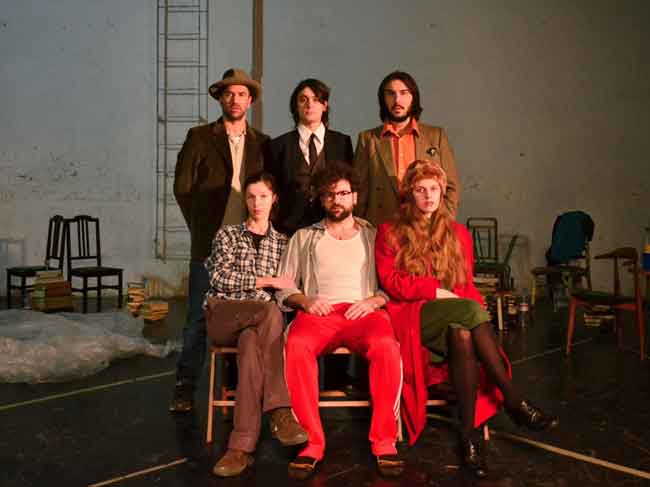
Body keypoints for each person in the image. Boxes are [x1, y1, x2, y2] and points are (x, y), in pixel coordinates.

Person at [374, 160, 559, 478]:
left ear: (442, 192)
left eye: (434, 189)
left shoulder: (458, 234)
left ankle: (468, 438)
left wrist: (461, 302)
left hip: (454, 313)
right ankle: (514, 399)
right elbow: (392, 283)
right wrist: (435, 291)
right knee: (471, 311)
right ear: (409, 194)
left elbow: (465, 285)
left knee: (462, 333)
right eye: (420, 189)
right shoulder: (389, 231)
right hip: (413, 314)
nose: (428, 196)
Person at [276, 161, 404, 479]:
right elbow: (284, 286)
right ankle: (311, 443)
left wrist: (374, 301)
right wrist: (306, 300)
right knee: (296, 346)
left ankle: (384, 441)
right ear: (321, 199)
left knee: (387, 347)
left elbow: (393, 284)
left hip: (364, 312)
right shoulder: (304, 237)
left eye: (343, 193)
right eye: (329, 194)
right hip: (319, 313)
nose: (337, 200)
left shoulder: (374, 235)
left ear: (355, 196)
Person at [171, 68, 270, 412]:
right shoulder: (200, 137)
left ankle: (233, 388)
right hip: (209, 244)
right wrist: (202, 228)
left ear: (250, 100)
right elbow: (182, 188)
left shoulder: (263, 143)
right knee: (198, 318)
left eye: (241, 94)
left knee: (240, 317)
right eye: (229, 94)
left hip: (247, 246)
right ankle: (184, 386)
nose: (235, 99)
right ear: (220, 98)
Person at [204, 172, 307, 477]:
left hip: (258, 326)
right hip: (223, 313)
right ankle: (279, 409)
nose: (256, 203)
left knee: (251, 343)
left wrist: (286, 290)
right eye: (251, 197)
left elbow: (287, 291)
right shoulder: (227, 235)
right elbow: (219, 278)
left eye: (263, 196)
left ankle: (240, 447)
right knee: (268, 310)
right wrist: (267, 281)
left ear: (274, 199)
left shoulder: (284, 244)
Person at [353, 70, 460, 226]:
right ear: (383, 99)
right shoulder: (368, 139)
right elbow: (359, 190)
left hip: (428, 226)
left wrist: (443, 222)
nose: (397, 100)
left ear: (413, 97)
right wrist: (364, 228)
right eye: (391, 94)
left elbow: (451, 186)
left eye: (404, 93)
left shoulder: (436, 136)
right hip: (382, 226)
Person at [268, 78, 354, 236]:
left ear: (325, 105)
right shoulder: (278, 146)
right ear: (296, 106)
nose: (309, 105)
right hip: (288, 231)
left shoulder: (342, 142)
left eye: (316, 99)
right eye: (303, 100)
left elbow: (350, 187)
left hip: (332, 228)